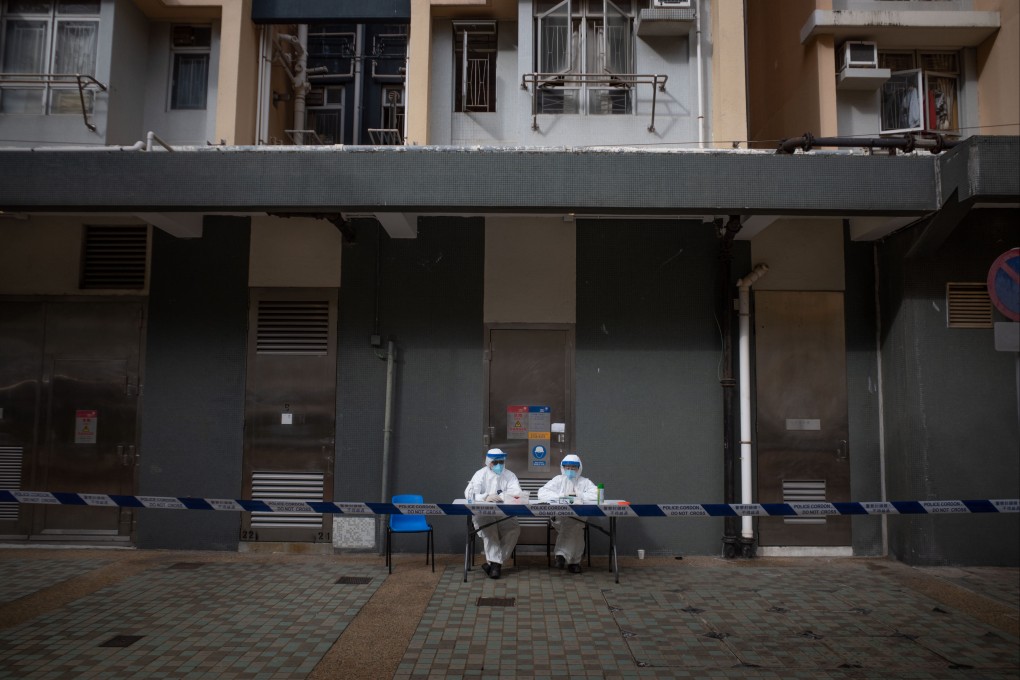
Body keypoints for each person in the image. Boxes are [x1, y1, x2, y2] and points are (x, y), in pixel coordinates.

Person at [464, 447, 522, 579]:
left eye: (501, 462)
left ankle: (494, 563)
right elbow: (469, 493)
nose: (499, 465)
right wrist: (485, 497)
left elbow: (517, 492)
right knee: (491, 531)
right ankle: (495, 566)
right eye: (495, 463)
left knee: (514, 529)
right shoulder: (480, 474)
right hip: (483, 513)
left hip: (504, 513)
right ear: (488, 462)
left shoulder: (509, 475)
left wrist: (503, 496)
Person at [537, 453, 598, 574]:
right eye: (567, 467)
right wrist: (561, 496)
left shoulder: (585, 482)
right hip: (558, 518)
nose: (570, 470)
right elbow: (542, 493)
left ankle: (562, 555)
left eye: (573, 467)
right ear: (563, 468)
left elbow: (596, 494)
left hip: (579, 518)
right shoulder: (558, 480)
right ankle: (574, 562)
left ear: (578, 468)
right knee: (574, 527)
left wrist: (579, 495)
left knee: (575, 526)